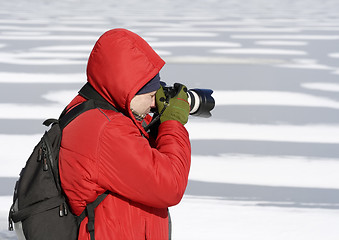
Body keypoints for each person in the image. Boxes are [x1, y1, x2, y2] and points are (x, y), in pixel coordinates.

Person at [59, 28, 191, 239]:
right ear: (129, 89)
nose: (152, 103)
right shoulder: (107, 130)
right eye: (149, 96)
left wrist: (156, 122)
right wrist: (173, 121)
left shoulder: (93, 109)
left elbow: (136, 145)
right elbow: (171, 184)